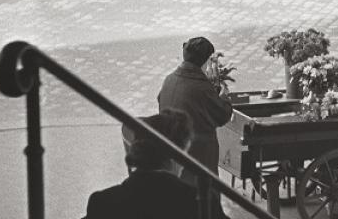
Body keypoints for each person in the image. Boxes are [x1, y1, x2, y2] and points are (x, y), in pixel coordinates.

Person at [158, 37, 233, 217]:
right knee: (205, 197)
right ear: (205, 60)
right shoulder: (200, 86)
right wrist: (224, 97)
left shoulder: (169, 79)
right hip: (199, 152)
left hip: (173, 148)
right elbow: (222, 115)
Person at [86, 109, 197, 219]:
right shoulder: (197, 203)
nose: (184, 166)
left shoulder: (102, 202)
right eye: (185, 154)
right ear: (176, 157)